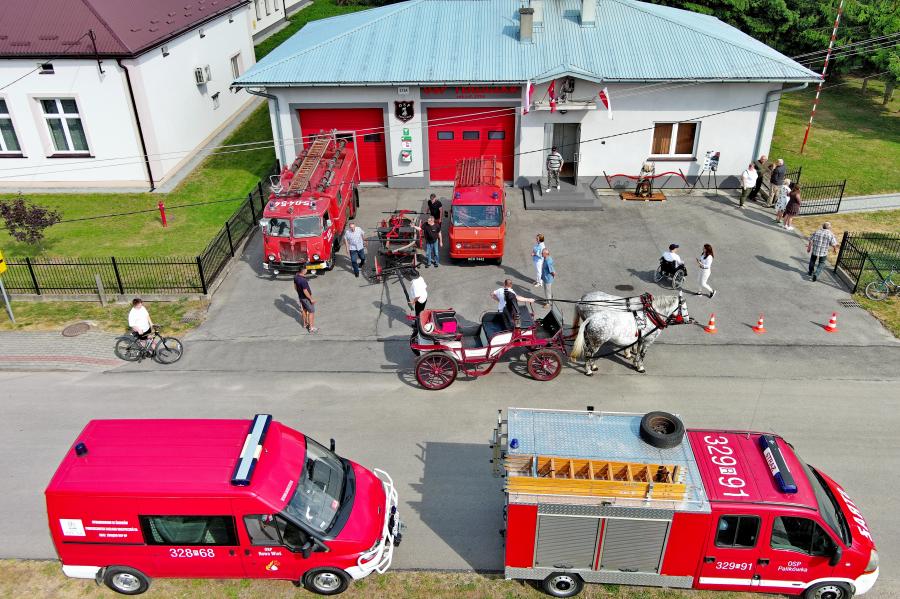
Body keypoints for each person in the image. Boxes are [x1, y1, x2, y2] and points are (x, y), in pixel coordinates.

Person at [294, 267, 317, 333]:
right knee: (311, 312)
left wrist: (299, 293)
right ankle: (311, 328)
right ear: (303, 270)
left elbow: (295, 286)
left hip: (301, 297)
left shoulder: (296, 276)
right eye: (306, 269)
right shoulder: (303, 280)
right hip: (306, 298)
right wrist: (311, 299)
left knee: (304, 310)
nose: (307, 270)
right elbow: (305, 291)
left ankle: (305, 324)